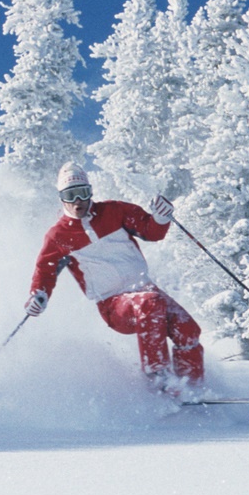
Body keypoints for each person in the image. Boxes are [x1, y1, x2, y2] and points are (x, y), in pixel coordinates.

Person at [27, 163, 205, 392]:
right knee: (150, 302)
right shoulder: (58, 235)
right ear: (62, 198)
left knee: (188, 329)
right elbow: (45, 270)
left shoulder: (115, 211)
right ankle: (159, 383)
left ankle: (193, 389)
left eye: (84, 192)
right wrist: (38, 295)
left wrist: (160, 218)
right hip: (114, 304)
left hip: (146, 289)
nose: (78, 200)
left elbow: (151, 231)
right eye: (70, 195)